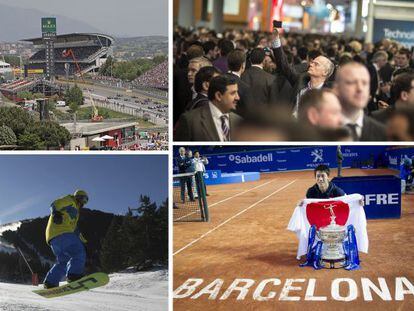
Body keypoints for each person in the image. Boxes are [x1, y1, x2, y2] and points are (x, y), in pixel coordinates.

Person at [271, 28, 335, 117]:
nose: (311, 65)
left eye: (316, 64)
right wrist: (276, 42)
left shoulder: (329, 93)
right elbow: (284, 66)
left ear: (325, 72)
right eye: (312, 62)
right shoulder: (301, 80)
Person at [43, 190, 89, 289]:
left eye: (86, 201)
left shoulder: (76, 213)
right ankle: (74, 275)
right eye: (83, 199)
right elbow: (55, 204)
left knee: (64, 261)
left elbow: (75, 230)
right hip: (61, 232)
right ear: (77, 197)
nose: (83, 203)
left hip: (53, 239)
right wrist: (55, 213)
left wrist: (84, 242)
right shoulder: (70, 200)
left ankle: (50, 282)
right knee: (78, 252)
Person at [174, 75, 242, 141]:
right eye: (233, 93)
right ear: (218, 96)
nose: (237, 97)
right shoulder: (190, 121)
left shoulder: (238, 120)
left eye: (237, 93)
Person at [334, 62, 387, 141]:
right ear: (337, 89)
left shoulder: (383, 133)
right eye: (352, 82)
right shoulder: (320, 129)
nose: (360, 89)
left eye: (365, 83)